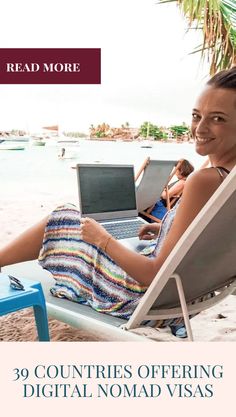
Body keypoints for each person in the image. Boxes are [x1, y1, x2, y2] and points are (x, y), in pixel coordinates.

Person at [1, 67, 236, 338]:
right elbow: (207, 240)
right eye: (196, 116)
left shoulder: (203, 180)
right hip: (183, 300)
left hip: (137, 298)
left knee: (64, 215)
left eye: (217, 118)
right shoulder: (226, 182)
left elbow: (152, 275)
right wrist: (166, 230)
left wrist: (102, 239)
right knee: (80, 221)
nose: (201, 127)